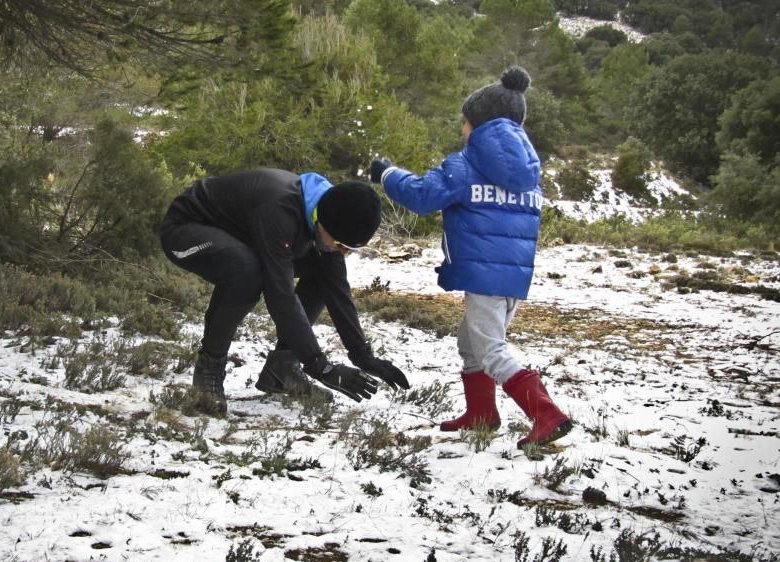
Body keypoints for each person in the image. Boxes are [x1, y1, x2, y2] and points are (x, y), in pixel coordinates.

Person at [369, 66, 572, 449]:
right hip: (514, 275)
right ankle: (481, 413)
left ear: (478, 125)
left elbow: (423, 196)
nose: (462, 130)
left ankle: (546, 413)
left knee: (491, 350)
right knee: (471, 341)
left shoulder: (468, 164)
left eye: (464, 123)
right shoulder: (529, 172)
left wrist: (387, 173)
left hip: (484, 274)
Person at [160, 169, 410, 416]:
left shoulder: (325, 217)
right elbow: (280, 296)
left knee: (323, 270)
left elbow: (338, 291)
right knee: (247, 272)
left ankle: (282, 368)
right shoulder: (279, 209)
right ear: (323, 221)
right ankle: (209, 367)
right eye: (341, 244)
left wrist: (363, 356)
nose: (342, 252)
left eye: (350, 249)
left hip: (239, 237)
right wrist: (321, 368)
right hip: (185, 230)